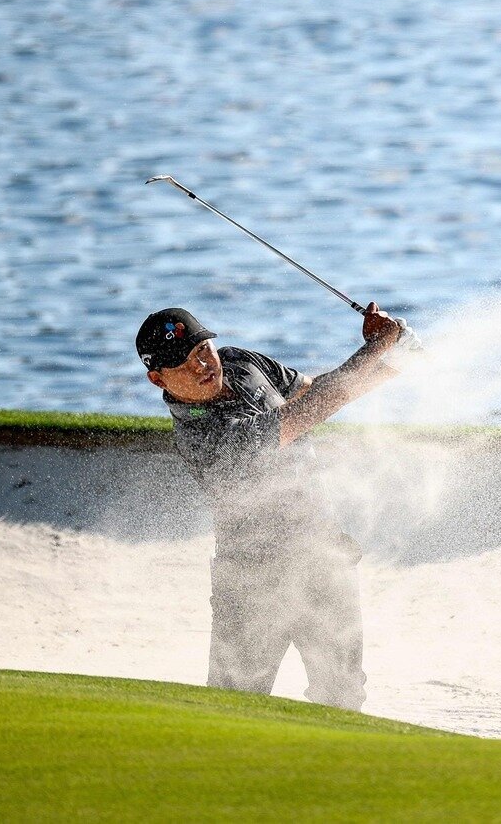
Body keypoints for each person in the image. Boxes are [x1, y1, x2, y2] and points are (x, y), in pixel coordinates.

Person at [135, 303, 406, 710]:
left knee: (343, 696)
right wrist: (376, 348)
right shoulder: (202, 436)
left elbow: (316, 392)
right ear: (158, 378)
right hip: (251, 582)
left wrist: (395, 357)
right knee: (234, 708)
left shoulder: (239, 362)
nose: (202, 366)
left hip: (322, 557)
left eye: (203, 349)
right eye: (183, 363)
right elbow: (309, 411)